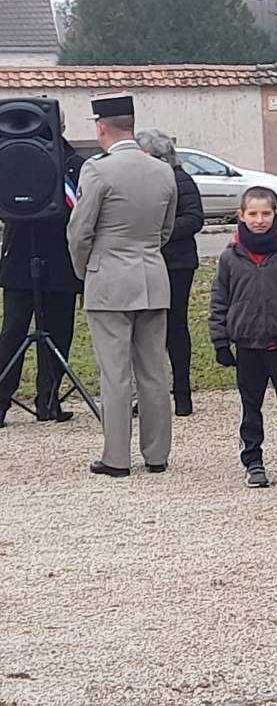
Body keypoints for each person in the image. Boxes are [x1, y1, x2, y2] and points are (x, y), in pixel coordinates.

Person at [66, 94, 177, 478]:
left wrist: (86, 270)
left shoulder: (97, 171)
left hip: (109, 278)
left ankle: (117, 457)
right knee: (153, 371)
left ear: (101, 128)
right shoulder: (163, 171)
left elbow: (80, 232)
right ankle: (157, 454)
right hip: (152, 275)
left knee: (115, 374)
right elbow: (165, 229)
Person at [209, 186, 277, 488]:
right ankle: (253, 460)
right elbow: (219, 299)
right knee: (249, 407)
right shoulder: (230, 257)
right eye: (252, 214)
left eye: (266, 213)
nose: (259, 220)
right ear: (241, 215)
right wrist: (220, 340)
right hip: (247, 345)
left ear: (276, 215)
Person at [0, 113, 84, 427]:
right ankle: (0, 401)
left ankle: (49, 399)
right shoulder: (9, 158)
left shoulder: (73, 163)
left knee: (59, 333)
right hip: (21, 258)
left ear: (61, 126)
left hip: (61, 258)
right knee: (13, 333)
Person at [135, 129, 204, 417]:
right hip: (145, 262)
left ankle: (183, 392)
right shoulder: (138, 183)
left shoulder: (181, 180)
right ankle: (149, 395)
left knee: (175, 326)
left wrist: (160, 233)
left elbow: (194, 219)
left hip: (177, 263)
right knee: (146, 329)